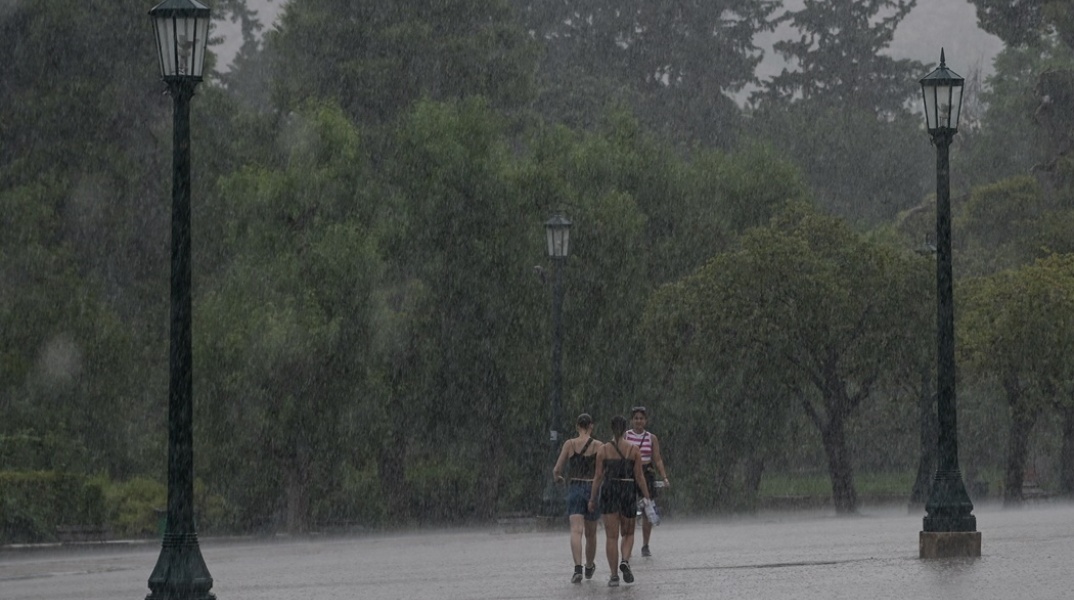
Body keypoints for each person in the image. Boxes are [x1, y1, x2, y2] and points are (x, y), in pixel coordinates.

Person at [589, 415, 652, 587]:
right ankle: (625, 560)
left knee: (611, 536)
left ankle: (614, 575)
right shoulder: (633, 450)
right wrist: (647, 497)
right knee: (629, 533)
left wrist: (592, 498)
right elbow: (639, 477)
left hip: (609, 490)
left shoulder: (603, 450)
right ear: (625, 429)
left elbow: (598, 476)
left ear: (611, 428)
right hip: (627, 490)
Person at [552, 413, 602, 583]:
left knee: (575, 530)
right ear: (591, 426)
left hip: (575, 488)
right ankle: (589, 565)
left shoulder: (570, 444)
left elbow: (557, 469)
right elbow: (601, 472)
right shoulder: (599, 446)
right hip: (592, 489)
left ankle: (577, 568)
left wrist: (558, 478)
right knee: (591, 533)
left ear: (577, 426)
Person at [625, 405, 669, 557]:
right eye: (636, 418)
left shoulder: (651, 438)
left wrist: (664, 477)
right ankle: (627, 542)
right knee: (628, 509)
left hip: (647, 472)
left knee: (647, 508)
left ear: (646, 420)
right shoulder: (625, 436)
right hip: (630, 473)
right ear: (632, 421)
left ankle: (645, 545)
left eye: (641, 418)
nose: (638, 421)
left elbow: (657, 459)